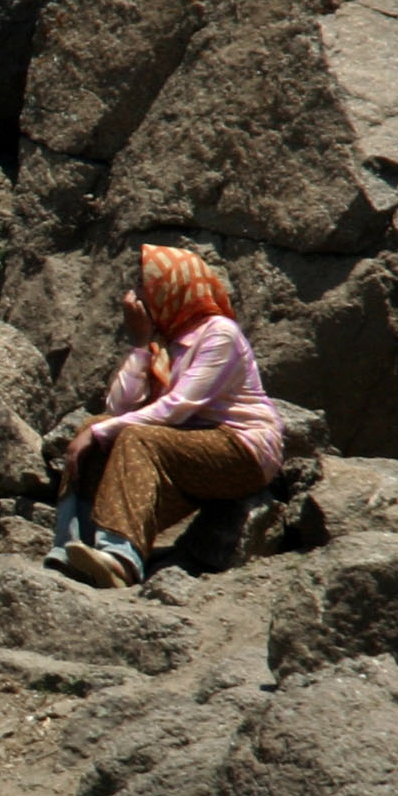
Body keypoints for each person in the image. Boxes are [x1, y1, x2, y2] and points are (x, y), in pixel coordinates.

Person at [50, 244, 284, 590]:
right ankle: (72, 546)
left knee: (132, 436)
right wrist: (141, 343)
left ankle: (119, 559)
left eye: (149, 287)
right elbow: (119, 408)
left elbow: (178, 406)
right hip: (186, 446)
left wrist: (103, 431)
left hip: (241, 449)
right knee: (94, 428)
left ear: (175, 287)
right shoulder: (168, 345)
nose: (141, 297)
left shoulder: (219, 333)